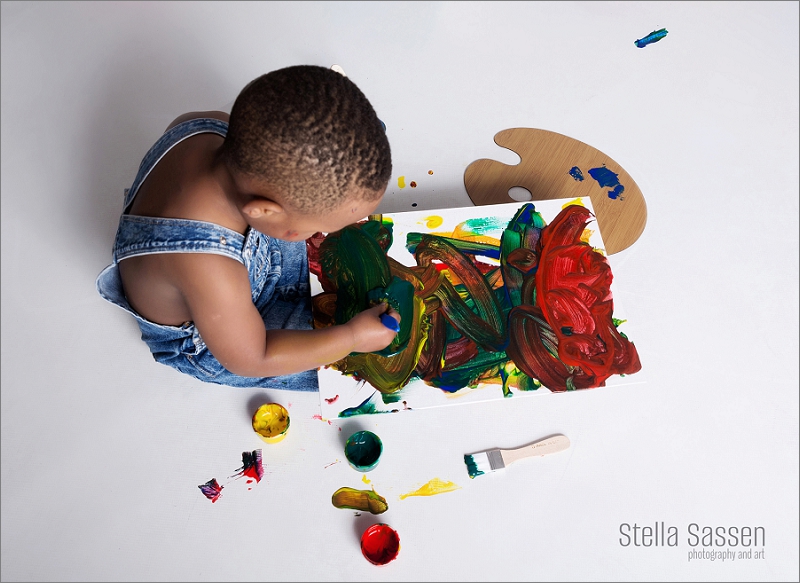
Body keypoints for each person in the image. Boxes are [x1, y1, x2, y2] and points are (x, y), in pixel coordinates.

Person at [96, 65, 398, 391]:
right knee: (366, 367)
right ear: (264, 210)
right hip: (220, 336)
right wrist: (350, 338)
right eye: (316, 230)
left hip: (246, 268)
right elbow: (252, 358)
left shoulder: (215, 130)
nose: (319, 237)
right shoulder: (207, 265)